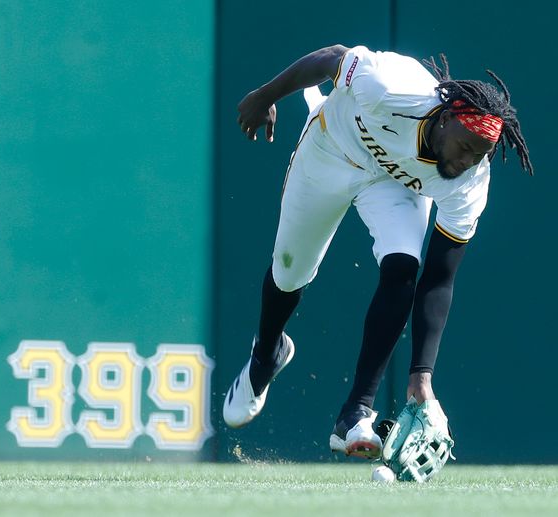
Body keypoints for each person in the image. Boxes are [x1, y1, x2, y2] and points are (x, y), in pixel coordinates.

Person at [223, 44, 533, 459]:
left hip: (392, 184)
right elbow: (331, 57)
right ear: (444, 120)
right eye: (464, 146)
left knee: (404, 266)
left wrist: (421, 375)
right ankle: (266, 355)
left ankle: (355, 413)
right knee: (289, 272)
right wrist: (265, 97)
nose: (467, 160)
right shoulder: (392, 87)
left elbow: (439, 280)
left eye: (480, 154)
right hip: (331, 148)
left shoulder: (470, 180)